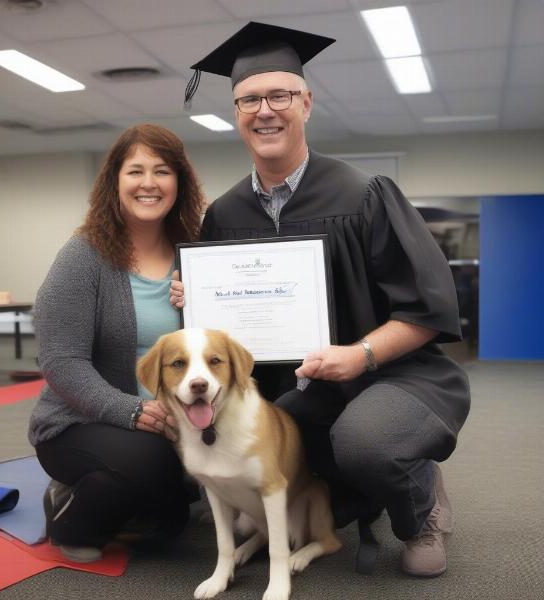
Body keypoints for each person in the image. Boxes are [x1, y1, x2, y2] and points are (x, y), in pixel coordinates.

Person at [172, 22, 471, 577]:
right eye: (249, 99)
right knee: (257, 451)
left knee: (365, 444)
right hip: (299, 388)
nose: (265, 110)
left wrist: (358, 355)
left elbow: (427, 310)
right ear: (236, 113)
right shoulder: (225, 216)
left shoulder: (365, 194)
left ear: (306, 103)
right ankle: (362, 492)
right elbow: (220, 337)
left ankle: (422, 502)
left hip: (390, 375)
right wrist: (194, 299)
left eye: (279, 95)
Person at [28, 123, 205, 562]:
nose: (149, 183)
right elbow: (60, 361)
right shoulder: (84, 255)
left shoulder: (195, 251)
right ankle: (67, 514)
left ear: (179, 183)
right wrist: (131, 411)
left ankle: (136, 500)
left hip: (178, 420)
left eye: (162, 171)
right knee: (155, 467)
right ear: (115, 181)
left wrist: (203, 307)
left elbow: (214, 345)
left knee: (173, 519)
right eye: (136, 171)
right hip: (82, 421)